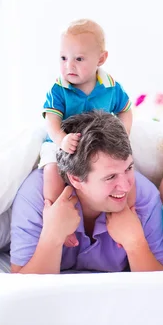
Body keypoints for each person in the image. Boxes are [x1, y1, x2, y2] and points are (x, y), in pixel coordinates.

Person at [10, 111, 163, 274]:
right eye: (111, 177)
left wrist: (135, 244)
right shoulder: (35, 195)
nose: (126, 186)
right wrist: (52, 237)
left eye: (129, 168)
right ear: (76, 179)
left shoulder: (145, 196)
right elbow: (20, 281)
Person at [40, 19, 132, 247]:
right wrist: (61, 139)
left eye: (79, 59)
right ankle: (54, 217)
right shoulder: (59, 88)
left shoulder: (111, 87)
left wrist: (123, 134)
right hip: (64, 142)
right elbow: (51, 121)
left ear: (100, 59)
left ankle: (127, 216)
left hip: (99, 146)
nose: (69, 66)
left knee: (127, 171)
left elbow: (126, 110)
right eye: (63, 58)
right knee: (51, 170)